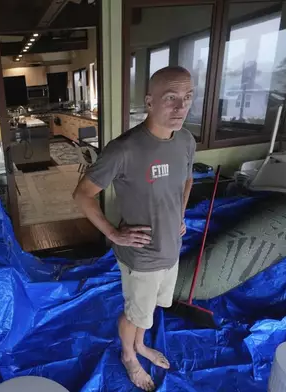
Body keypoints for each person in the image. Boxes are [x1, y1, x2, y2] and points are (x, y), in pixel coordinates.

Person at [72, 66, 196, 391]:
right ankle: (129, 355)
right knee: (135, 313)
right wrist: (113, 233)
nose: (181, 108)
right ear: (149, 102)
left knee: (149, 309)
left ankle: (141, 345)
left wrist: (180, 216)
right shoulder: (124, 149)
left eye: (187, 98)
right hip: (140, 256)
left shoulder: (185, 140)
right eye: (171, 99)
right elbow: (82, 195)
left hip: (171, 248)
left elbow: (186, 180)